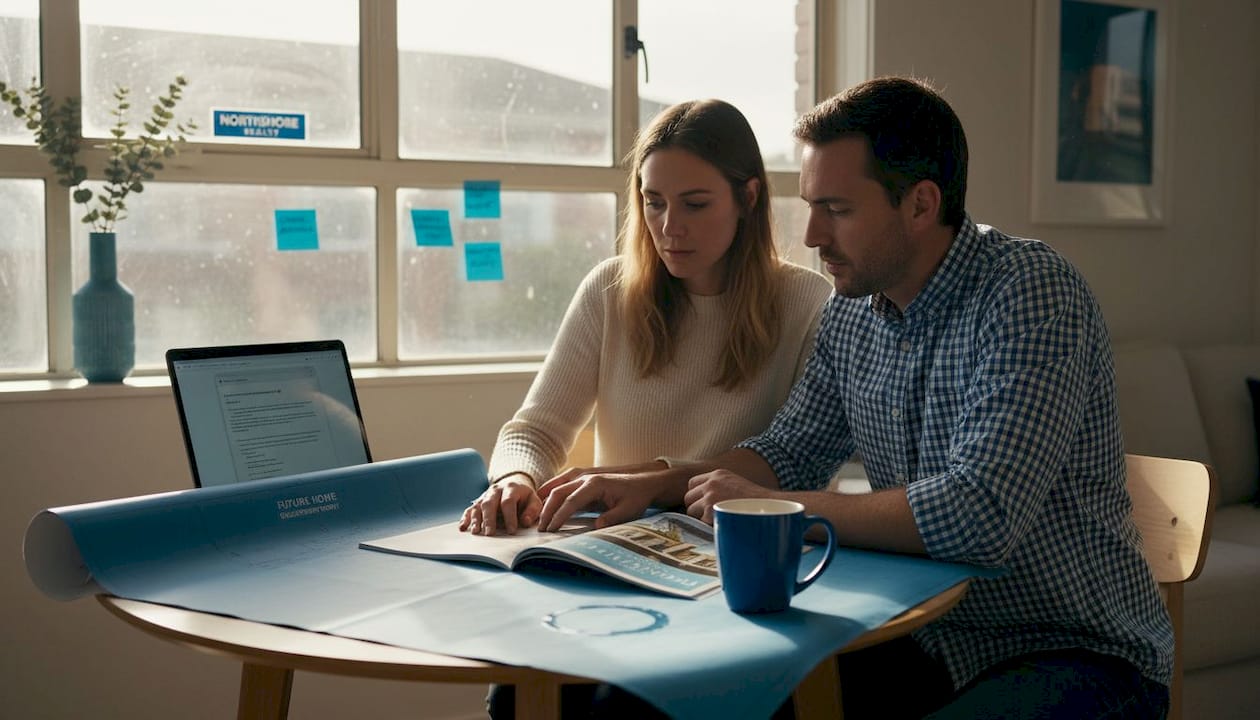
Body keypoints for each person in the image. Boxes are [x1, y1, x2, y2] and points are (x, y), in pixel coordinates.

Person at [535, 77, 1174, 719]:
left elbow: (979, 515)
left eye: (836, 210)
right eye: (811, 205)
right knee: (657, 698)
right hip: (922, 636)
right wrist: (657, 484)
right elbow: (786, 453)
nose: (811, 235)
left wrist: (772, 505)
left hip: (1074, 652)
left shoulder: (1030, 292)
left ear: (921, 205)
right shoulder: (852, 315)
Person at [462, 98, 832, 719]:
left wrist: (653, 484)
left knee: (618, 706)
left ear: (747, 198)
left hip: (730, 576)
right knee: (516, 690)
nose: (668, 227)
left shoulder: (806, 302)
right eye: (652, 201)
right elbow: (535, 428)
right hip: (612, 559)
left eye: (694, 204)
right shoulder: (610, 291)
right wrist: (515, 477)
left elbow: (798, 467)